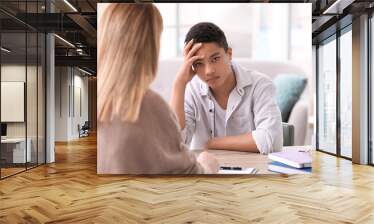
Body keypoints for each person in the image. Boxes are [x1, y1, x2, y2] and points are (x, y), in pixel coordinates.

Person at [97, 4, 219, 174]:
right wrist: (208, 165)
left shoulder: (97, 100)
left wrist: (180, 83)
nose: (209, 70)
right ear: (150, 45)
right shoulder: (146, 104)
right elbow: (188, 170)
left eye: (215, 59)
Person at [170, 22, 283, 154]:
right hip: (205, 171)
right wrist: (178, 84)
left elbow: (272, 141)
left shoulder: (260, 85)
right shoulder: (191, 89)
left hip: (250, 170)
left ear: (229, 54)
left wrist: (214, 143)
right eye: (199, 63)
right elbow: (174, 143)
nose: (209, 71)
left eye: (215, 59)